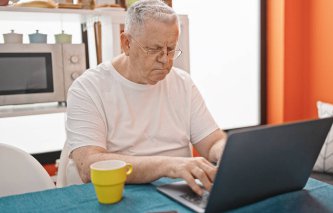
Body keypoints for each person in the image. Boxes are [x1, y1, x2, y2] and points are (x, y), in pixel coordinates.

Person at [57, 0, 226, 196]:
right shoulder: (88, 88)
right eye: (153, 50)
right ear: (126, 43)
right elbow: (89, 165)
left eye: (170, 49)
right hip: (118, 196)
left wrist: (226, 152)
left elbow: (212, 142)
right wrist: (168, 165)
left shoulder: (183, 83)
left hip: (177, 193)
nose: (165, 60)